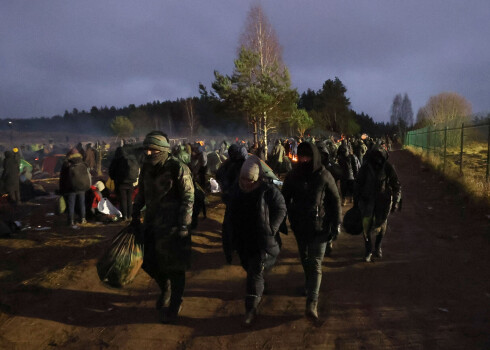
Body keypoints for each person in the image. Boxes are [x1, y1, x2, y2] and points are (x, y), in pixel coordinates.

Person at [131, 131, 194, 324]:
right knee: (148, 261)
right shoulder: (147, 168)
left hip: (173, 226)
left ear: (163, 151)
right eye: (147, 150)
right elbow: (142, 193)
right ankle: (165, 287)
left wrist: (184, 224)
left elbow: (188, 198)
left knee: (175, 267)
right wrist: (134, 214)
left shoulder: (177, 168)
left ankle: (175, 303)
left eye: (153, 150)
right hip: (151, 223)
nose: (149, 153)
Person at [222, 155, 286, 326]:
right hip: (242, 239)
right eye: (243, 179)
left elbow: (281, 208)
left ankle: (250, 308)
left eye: (250, 180)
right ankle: (259, 287)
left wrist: (272, 228)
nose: (246, 183)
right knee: (248, 266)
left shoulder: (268, 191)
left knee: (254, 273)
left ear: (257, 178)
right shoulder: (236, 191)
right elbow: (228, 216)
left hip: (261, 240)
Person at [282, 142, 341, 321]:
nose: (305, 160)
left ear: (314, 157)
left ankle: (311, 303)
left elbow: (335, 200)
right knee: (305, 259)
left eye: (308, 156)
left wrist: (336, 224)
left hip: (320, 228)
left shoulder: (324, 175)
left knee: (315, 263)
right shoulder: (293, 176)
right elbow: (283, 199)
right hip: (300, 227)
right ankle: (309, 286)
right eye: (302, 157)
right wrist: (284, 220)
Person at [354, 145, 401, 262]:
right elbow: (358, 184)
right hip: (367, 201)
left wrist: (396, 201)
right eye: (375, 156)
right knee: (366, 226)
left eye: (380, 156)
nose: (377, 159)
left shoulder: (388, 167)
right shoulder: (365, 167)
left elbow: (396, 185)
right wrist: (356, 202)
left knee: (382, 225)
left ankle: (378, 247)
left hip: (382, 202)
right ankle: (368, 250)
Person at [59, 148, 91, 226]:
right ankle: (83, 219)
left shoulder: (67, 164)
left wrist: (62, 189)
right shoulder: (83, 163)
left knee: (71, 204)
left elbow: (63, 177)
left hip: (70, 188)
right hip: (81, 187)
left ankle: (71, 221)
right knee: (81, 203)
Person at [109, 146, 140, 220]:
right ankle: (130, 215)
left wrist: (114, 178)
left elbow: (111, 171)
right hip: (131, 182)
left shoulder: (116, 160)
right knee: (129, 199)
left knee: (123, 199)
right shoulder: (131, 159)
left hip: (120, 182)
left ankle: (125, 216)